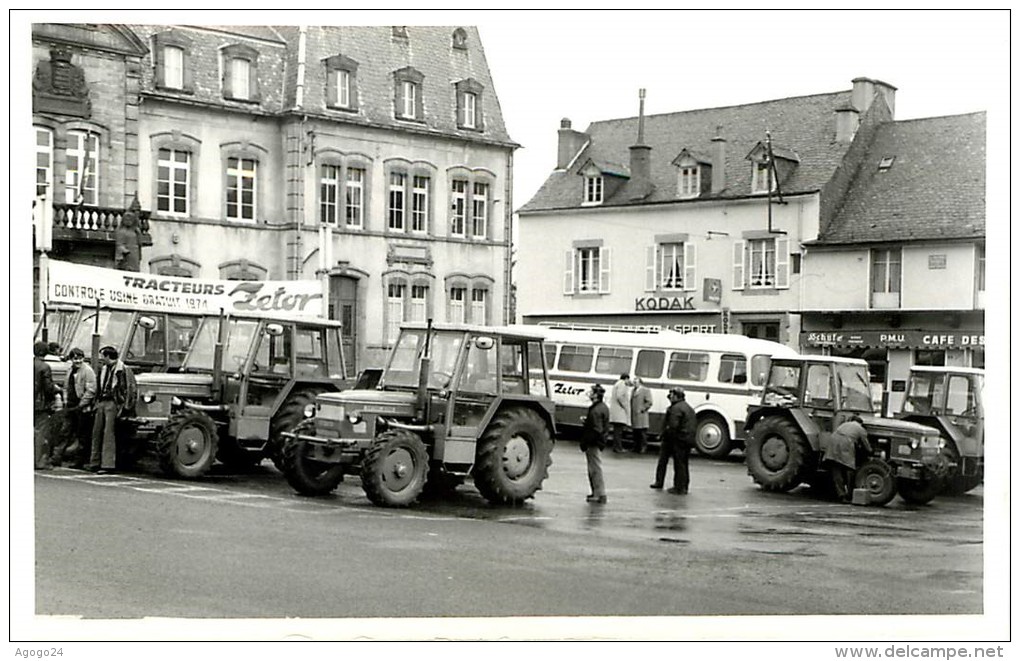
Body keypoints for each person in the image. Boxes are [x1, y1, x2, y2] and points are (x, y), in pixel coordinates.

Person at [87, 346, 128, 474]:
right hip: (102, 401)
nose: (101, 359)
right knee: (97, 432)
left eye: (103, 356)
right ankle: (95, 462)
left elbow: (127, 389)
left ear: (107, 356)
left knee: (108, 433)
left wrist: (122, 405)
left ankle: (107, 464)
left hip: (112, 402)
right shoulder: (105, 369)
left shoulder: (122, 370)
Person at [651, 387, 697, 494]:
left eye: (671, 395)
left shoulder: (675, 409)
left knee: (667, 461)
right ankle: (683, 486)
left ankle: (673, 485)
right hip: (687, 439)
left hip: (676, 439)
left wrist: (664, 435)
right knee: (683, 463)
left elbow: (672, 426)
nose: (669, 397)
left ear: (676, 396)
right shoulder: (688, 408)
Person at [58, 347, 97, 468]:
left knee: (82, 434)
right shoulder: (70, 370)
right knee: (67, 431)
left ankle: (81, 460)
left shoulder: (87, 371)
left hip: (81, 406)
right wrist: (65, 400)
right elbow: (66, 387)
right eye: (75, 359)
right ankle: (60, 456)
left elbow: (91, 390)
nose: (78, 361)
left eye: (80, 359)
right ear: (71, 359)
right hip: (70, 405)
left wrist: (82, 404)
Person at [822, 415, 872, 502]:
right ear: (861, 423)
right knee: (850, 469)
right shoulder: (861, 429)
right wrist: (871, 452)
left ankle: (841, 494)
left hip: (833, 440)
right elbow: (866, 445)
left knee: (836, 468)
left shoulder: (845, 424)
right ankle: (850, 495)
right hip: (845, 443)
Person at [579, 383, 610, 504]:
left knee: (594, 468)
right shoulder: (602, 407)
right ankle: (597, 493)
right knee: (595, 467)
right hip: (597, 442)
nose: (590, 394)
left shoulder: (595, 410)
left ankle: (599, 493)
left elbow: (596, 429)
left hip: (593, 443)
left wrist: (586, 442)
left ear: (596, 395)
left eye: (592, 392)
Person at [34, 341, 60, 470]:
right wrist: (57, 392)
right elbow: (48, 388)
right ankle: (39, 461)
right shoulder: (45, 367)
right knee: (41, 433)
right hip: (40, 404)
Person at [609, 373, 632, 453]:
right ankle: (618, 448)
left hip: (616, 411)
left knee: (616, 431)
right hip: (619, 411)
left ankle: (616, 447)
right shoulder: (622, 384)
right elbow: (620, 396)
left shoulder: (617, 384)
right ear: (626, 378)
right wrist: (625, 405)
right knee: (618, 432)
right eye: (628, 379)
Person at [630, 376, 653, 454]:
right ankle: (636, 447)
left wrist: (643, 409)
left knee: (642, 433)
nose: (634, 384)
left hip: (641, 415)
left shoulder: (645, 390)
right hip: (634, 414)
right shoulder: (633, 390)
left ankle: (643, 447)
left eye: (636, 382)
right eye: (634, 382)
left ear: (640, 383)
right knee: (635, 432)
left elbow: (649, 402)